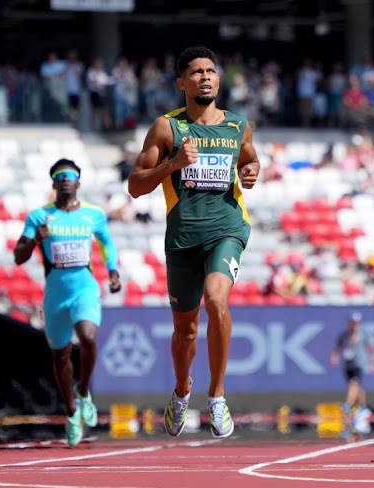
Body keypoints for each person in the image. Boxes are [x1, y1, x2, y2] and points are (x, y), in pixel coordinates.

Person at [127, 46, 260, 439]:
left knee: (217, 299)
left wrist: (252, 172)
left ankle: (217, 396)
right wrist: (171, 165)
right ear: (182, 82)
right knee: (185, 332)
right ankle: (182, 392)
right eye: (196, 72)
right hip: (183, 238)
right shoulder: (167, 128)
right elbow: (135, 186)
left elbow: (250, 161)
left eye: (211, 71)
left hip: (228, 229)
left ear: (219, 80)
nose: (205, 77)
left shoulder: (238, 126)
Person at [13, 159, 121, 446]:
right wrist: (35, 239)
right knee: (60, 356)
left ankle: (84, 391)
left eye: (70, 175)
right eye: (59, 176)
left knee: (88, 337)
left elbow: (107, 242)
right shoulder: (39, 217)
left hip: (84, 287)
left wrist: (112, 271)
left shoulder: (92, 215)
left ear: (78, 183)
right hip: (55, 293)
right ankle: (72, 411)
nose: (65, 179)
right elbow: (18, 256)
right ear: (53, 183)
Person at [329, 312, 374, 422]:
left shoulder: (363, 335)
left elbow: (371, 349)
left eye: (356, 323)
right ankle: (363, 407)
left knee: (353, 384)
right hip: (348, 364)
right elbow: (337, 348)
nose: (354, 325)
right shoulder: (344, 335)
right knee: (357, 386)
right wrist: (334, 357)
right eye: (353, 323)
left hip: (359, 364)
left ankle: (347, 405)